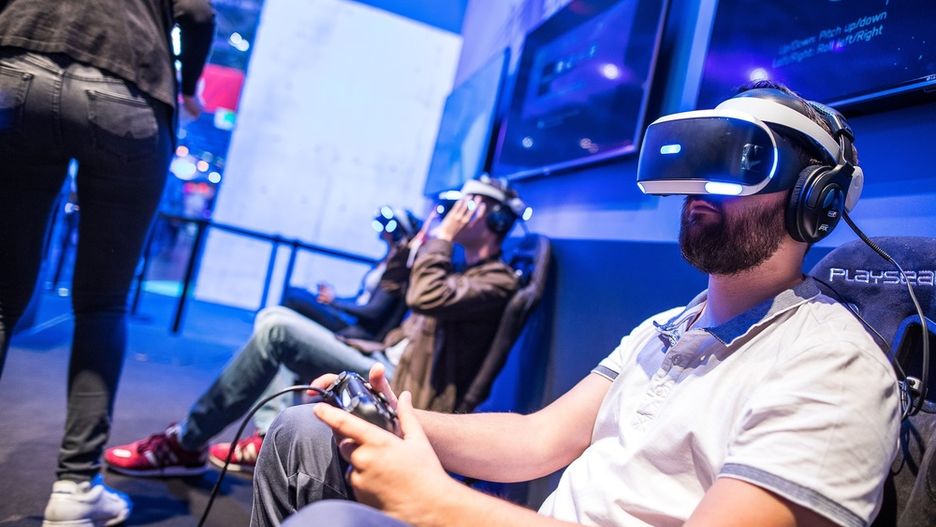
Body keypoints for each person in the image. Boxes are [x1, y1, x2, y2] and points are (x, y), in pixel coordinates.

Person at [250, 84, 901, 527]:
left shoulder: (832, 363)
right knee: (305, 432)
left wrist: (436, 502)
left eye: (739, 164)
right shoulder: (665, 327)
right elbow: (537, 439)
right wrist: (391, 418)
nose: (701, 188)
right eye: (700, 164)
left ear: (816, 199)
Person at [103, 177, 523, 476]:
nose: (456, 214)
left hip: (403, 386)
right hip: (382, 358)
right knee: (276, 324)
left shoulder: (497, 281)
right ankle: (263, 438)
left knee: (276, 330)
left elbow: (425, 296)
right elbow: (401, 288)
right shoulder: (458, 266)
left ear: (498, 222)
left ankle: (187, 443)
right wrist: (419, 244)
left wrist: (442, 239)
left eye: (470, 208)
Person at [0, 0, 214, 525]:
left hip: (18, 62)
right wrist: (187, 88)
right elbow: (198, 14)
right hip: (127, 86)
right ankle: (74, 488)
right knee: (102, 303)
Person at [281, 207, 421, 341]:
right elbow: (360, 299)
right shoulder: (385, 262)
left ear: (398, 233)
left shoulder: (398, 271)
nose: (383, 232)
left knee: (294, 299)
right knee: (296, 292)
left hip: (358, 330)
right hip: (350, 319)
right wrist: (333, 299)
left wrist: (334, 302)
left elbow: (373, 311)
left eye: (389, 228)